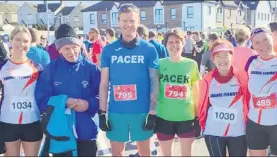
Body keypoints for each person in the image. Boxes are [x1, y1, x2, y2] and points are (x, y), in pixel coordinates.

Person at [98, 3, 159, 156]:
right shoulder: (108, 49)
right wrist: (102, 112)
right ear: (118, 22)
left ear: (138, 22)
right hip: (117, 111)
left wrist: (153, 111)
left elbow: (154, 81)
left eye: (132, 21)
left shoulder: (149, 49)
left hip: (142, 111)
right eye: (124, 21)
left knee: (145, 153)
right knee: (117, 154)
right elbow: (104, 83)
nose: (128, 24)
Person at [35, 23, 100, 157]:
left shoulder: (91, 69)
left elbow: (103, 96)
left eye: (74, 47)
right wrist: (64, 101)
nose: (72, 52)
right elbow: (41, 99)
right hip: (61, 133)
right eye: (66, 48)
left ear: (80, 46)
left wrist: (88, 104)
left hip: (86, 132)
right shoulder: (51, 69)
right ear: (59, 50)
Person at [244, 27, 277, 157]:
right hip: (255, 123)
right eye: (256, 42)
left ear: (272, 38)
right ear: (252, 45)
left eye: (265, 40)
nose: (262, 45)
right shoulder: (251, 62)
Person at [0, 26, 43, 156]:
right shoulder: (0, 68)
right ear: (11, 41)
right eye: (18, 39)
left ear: (30, 43)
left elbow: (43, 95)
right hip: (7, 122)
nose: (21, 44)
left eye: (26, 41)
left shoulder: (37, 68)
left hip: (32, 121)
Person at [199, 39, 249, 157]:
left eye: (226, 55)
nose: (222, 60)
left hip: (238, 132)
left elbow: (248, 102)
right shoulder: (207, 79)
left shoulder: (242, 77)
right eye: (218, 56)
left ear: (232, 56)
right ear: (213, 58)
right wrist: (201, 124)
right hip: (214, 132)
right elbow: (202, 105)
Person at [155, 29, 201, 156]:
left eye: (177, 42)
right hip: (164, 117)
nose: (174, 45)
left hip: (186, 117)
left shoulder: (191, 64)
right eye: (170, 42)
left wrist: (198, 117)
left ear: (183, 43)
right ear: (165, 44)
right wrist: (152, 112)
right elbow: (153, 91)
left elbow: (197, 93)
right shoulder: (159, 64)